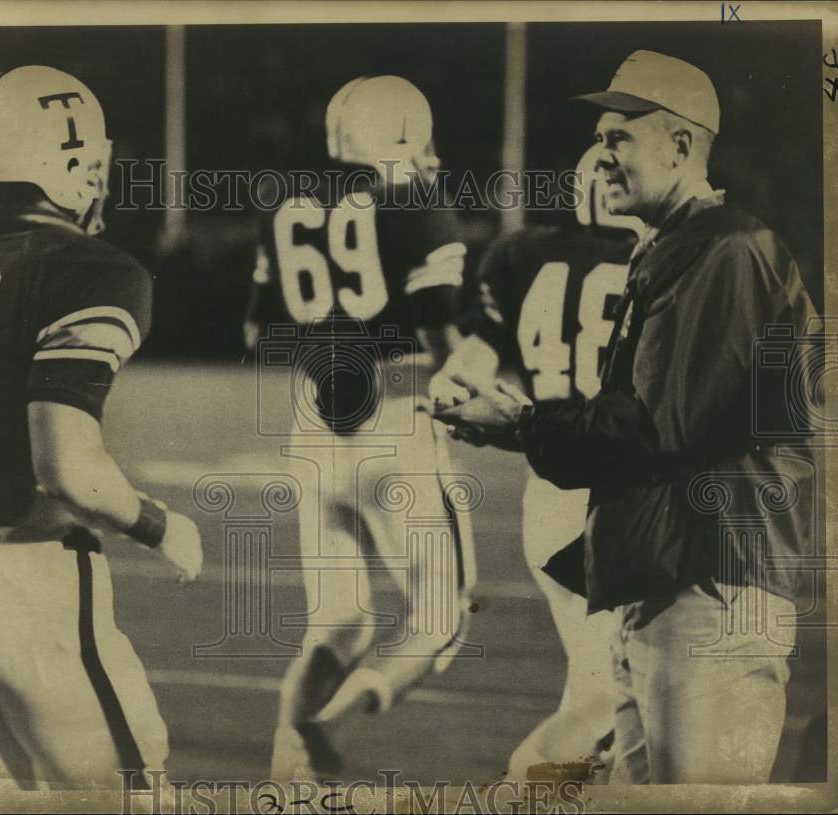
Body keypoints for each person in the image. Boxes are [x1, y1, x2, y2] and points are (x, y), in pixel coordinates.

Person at [433, 50, 819, 784]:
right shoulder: (676, 250)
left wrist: (517, 422)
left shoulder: (726, 250)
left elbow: (652, 429)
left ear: (681, 145)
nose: (601, 155)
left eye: (620, 138)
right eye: (601, 137)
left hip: (711, 589)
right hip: (665, 583)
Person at [0, 66, 202, 790]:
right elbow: (68, 468)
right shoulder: (88, 268)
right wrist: (157, 523)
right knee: (129, 796)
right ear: (71, 163)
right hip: (28, 571)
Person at [243, 75, 476, 782]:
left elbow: (259, 335)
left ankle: (288, 773)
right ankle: (324, 728)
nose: (433, 156)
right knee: (442, 617)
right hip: (398, 423)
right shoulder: (416, 206)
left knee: (340, 623)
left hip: (314, 429)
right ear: (403, 138)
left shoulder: (284, 207)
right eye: (424, 140)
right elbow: (443, 342)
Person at [431, 147, 641, 780]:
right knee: (611, 696)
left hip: (549, 492)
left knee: (605, 688)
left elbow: (471, 358)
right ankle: (521, 789)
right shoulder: (659, 261)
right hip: (617, 494)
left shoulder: (520, 255)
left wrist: (454, 389)